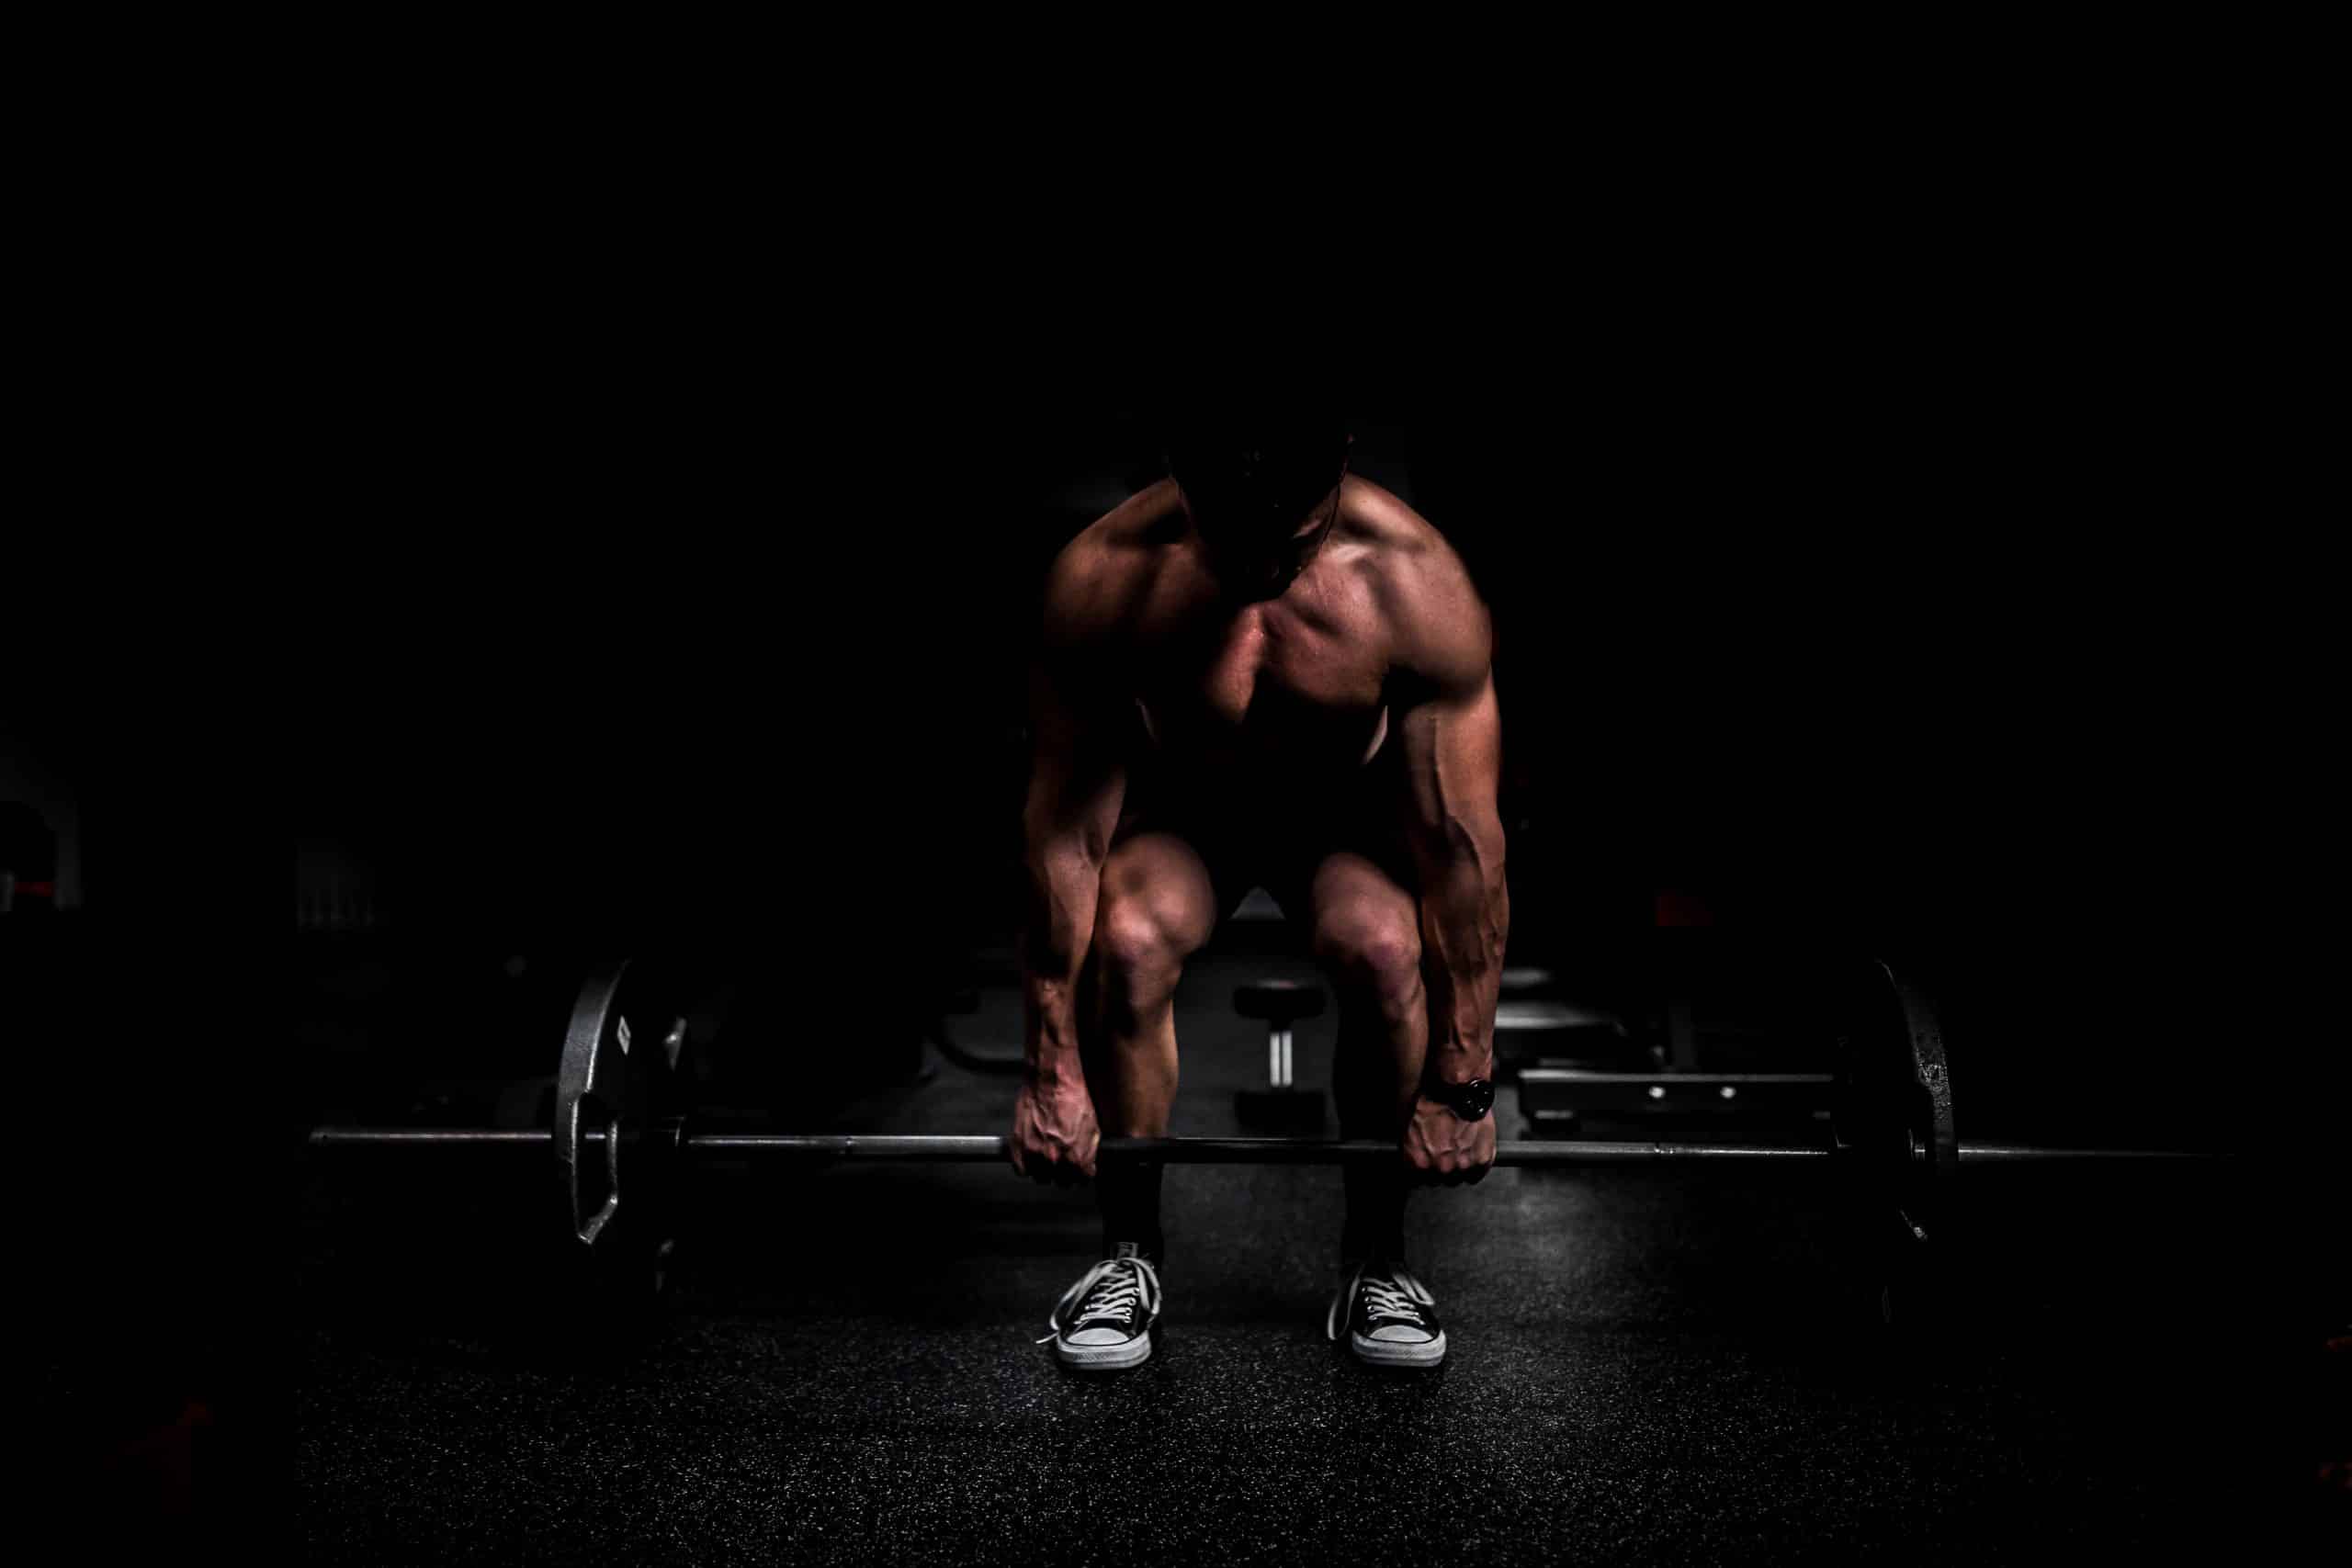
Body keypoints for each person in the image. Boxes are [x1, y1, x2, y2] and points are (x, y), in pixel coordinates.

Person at [1012, 404, 1508, 1370]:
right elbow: (1063, 835)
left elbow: (1460, 853)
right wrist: (1048, 1068)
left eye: (1288, 539)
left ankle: (1375, 1260)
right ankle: (1127, 1255)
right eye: (1228, 537)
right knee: (1127, 937)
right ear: (1176, 471)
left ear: (1339, 466)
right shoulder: (1106, 578)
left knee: (1385, 947)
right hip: (1186, 817)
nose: (1258, 569)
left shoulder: (1414, 583)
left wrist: (1464, 1080)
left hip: (1345, 823)